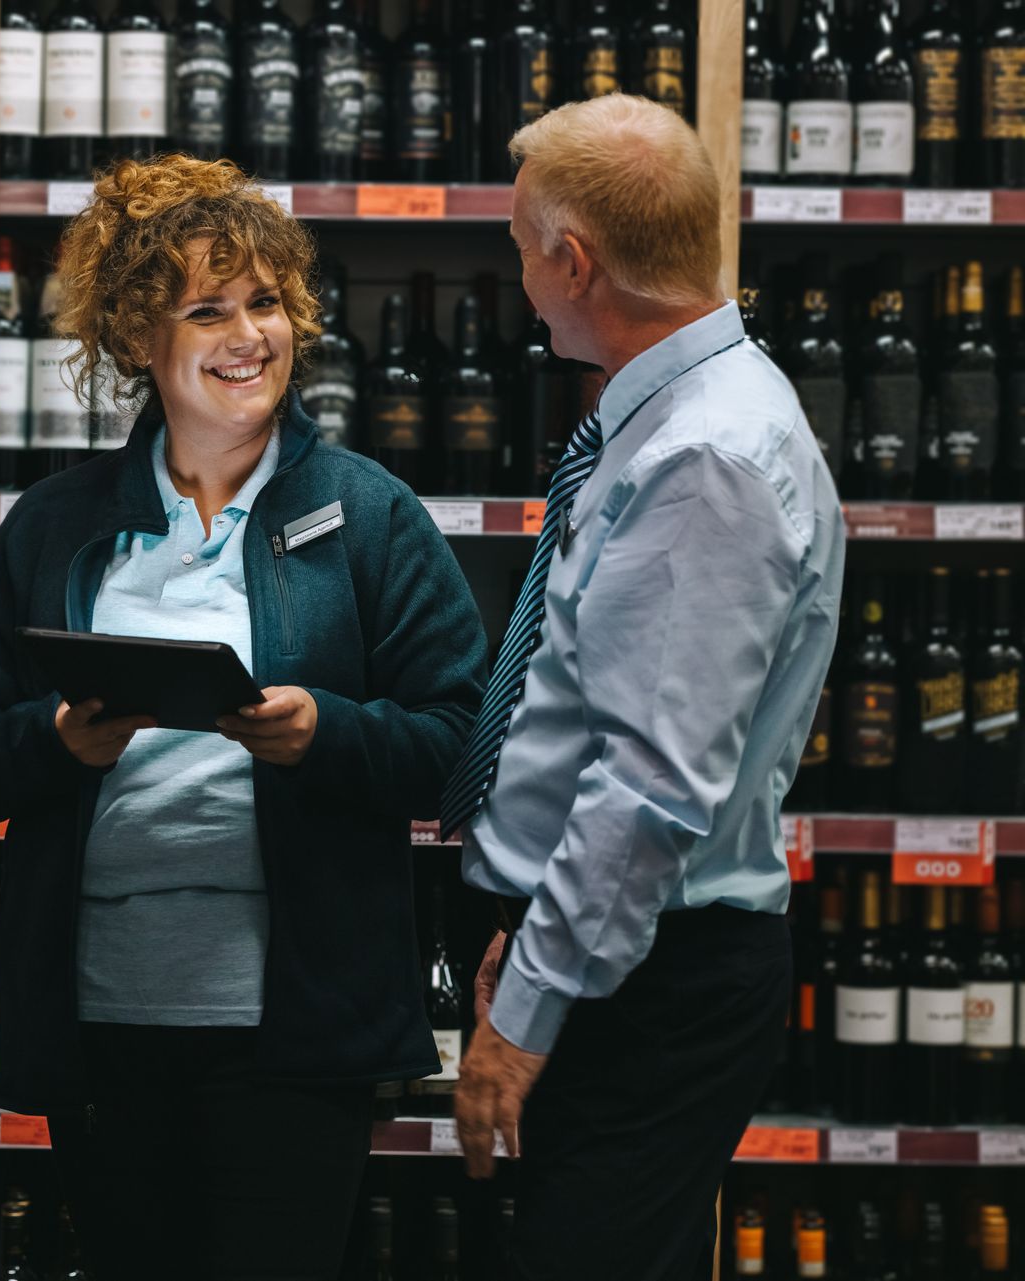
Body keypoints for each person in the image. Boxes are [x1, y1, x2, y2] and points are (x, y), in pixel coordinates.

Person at [0, 155, 485, 1281]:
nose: (248, 335)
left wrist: (328, 731)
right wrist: (55, 742)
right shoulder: (57, 526)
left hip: (295, 1031)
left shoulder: (370, 515)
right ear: (139, 339)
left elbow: (462, 740)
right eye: (208, 308)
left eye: (267, 303)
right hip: (101, 1024)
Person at [442, 95, 845, 1280]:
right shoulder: (676, 411)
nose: (518, 272)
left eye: (520, 247)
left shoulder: (704, 457)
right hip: (607, 954)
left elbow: (652, 788)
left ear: (572, 262)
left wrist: (529, 1009)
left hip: (644, 985)